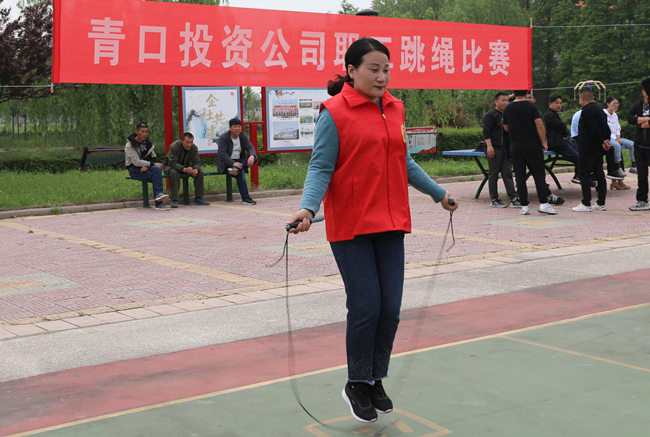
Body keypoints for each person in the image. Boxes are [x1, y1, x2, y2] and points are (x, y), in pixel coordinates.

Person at [287, 38, 457, 423]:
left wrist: (439, 194)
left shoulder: (395, 108)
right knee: (366, 306)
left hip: (391, 223)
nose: (382, 77)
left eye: (386, 70)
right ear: (352, 71)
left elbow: (404, 162)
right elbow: (320, 167)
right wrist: (308, 208)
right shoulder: (334, 112)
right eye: (373, 69)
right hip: (352, 227)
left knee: (390, 310)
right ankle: (356, 382)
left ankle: (375, 378)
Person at [503, 90, 558, 215]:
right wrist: (543, 142)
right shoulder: (531, 106)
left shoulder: (508, 108)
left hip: (516, 148)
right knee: (539, 175)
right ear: (526, 92)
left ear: (513, 93)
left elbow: (506, 128)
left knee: (520, 177)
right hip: (533, 146)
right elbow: (540, 125)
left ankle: (524, 206)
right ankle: (543, 204)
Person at [572, 88, 611, 212]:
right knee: (599, 173)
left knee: (583, 174)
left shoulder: (587, 110)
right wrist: (606, 140)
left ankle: (586, 203)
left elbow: (594, 128)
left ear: (582, 98)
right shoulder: (600, 110)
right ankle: (601, 203)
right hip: (599, 148)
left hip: (588, 148)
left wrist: (601, 141)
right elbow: (606, 128)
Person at [483, 92, 519, 208]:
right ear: (496, 101)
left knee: (507, 173)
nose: (505, 103)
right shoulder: (490, 115)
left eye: (507, 100)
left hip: (506, 148)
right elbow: (486, 132)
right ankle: (494, 198)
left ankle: (513, 198)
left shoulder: (509, 114)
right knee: (494, 173)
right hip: (494, 147)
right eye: (503, 100)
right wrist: (489, 146)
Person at [125, 123, 169, 211]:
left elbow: (153, 157)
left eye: (146, 132)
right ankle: (159, 202)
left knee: (157, 169)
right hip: (134, 169)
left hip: (146, 166)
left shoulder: (148, 144)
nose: (145, 134)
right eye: (142, 131)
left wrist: (147, 166)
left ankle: (159, 197)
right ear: (137, 132)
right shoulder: (130, 145)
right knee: (156, 176)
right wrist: (151, 164)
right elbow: (136, 162)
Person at [217, 118, 259, 205]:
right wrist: (233, 163)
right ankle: (245, 198)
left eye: (239, 126)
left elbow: (250, 147)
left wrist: (252, 155)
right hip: (227, 163)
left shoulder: (243, 136)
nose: (237, 128)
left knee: (255, 158)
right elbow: (222, 154)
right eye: (235, 126)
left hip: (239, 162)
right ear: (230, 128)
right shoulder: (224, 138)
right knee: (240, 172)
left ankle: (236, 168)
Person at [163, 132, 210, 207]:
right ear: (182, 141)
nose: (189, 145)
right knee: (174, 173)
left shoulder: (194, 148)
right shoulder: (174, 146)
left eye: (191, 142)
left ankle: (198, 198)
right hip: (170, 166)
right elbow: (173, 163)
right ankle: (175, 200)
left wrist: (195, 169)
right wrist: (184, 169)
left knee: (200, 172)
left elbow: (196, 162)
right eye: (187, 142)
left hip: (185, 166)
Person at [543, 95, 580, 184]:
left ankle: (586, 175)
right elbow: (562, 127)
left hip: (563, 141)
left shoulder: (554, 114)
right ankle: (578, 176)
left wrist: (563, 129)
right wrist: (562, 129)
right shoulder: (548, 115)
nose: (559, 105)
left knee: (584, 153)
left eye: (560, 103)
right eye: (557, 103)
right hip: (557, 144)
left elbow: (564, 129)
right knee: (578, 157)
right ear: (550, 104)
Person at [626, 77, 650, 211]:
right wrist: (646, 120)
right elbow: (630, 119)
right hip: (640, 146)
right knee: (641, 175)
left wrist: (639, 122)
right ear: (643, 92)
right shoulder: (638, 104)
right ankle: (642, 200)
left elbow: (636, 121)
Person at [604, 97, 634, 190]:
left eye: (617, 103)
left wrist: (618, 138)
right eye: (614, 103)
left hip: (616, 138)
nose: (616, 105)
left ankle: (633, 166)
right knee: (616, 147)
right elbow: (605, 129)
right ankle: (617, 171)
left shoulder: (615, 115)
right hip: (608, 138)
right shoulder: (603, 114)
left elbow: (617, 128)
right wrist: (615, 140)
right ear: (608, 104)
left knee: (632, 144)